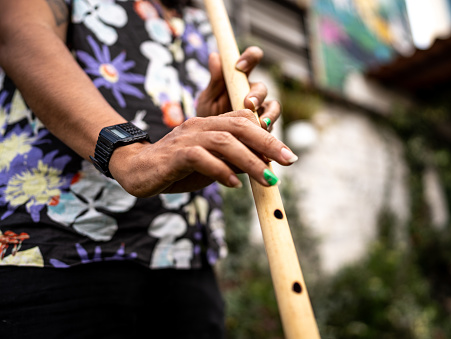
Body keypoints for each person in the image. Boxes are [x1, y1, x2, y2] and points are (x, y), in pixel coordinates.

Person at [0, 0, 297, 337]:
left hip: (186, 260)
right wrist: (128, 154)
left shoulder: (205, 14)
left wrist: (215, 119)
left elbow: (176, 123)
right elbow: (21, 33)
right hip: (59, 252)